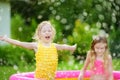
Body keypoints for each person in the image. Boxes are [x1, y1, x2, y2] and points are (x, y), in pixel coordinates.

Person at [0, 21, 76, 80]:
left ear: (52, 33)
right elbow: (20, 43)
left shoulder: (54, 46)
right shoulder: (36, 45)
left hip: (51, 78)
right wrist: (6, 39)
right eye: (44, 31)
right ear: (39, 35)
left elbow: (64, 46)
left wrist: (71, 48)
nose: (47, 32)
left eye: (49, 31)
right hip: (39, 78)